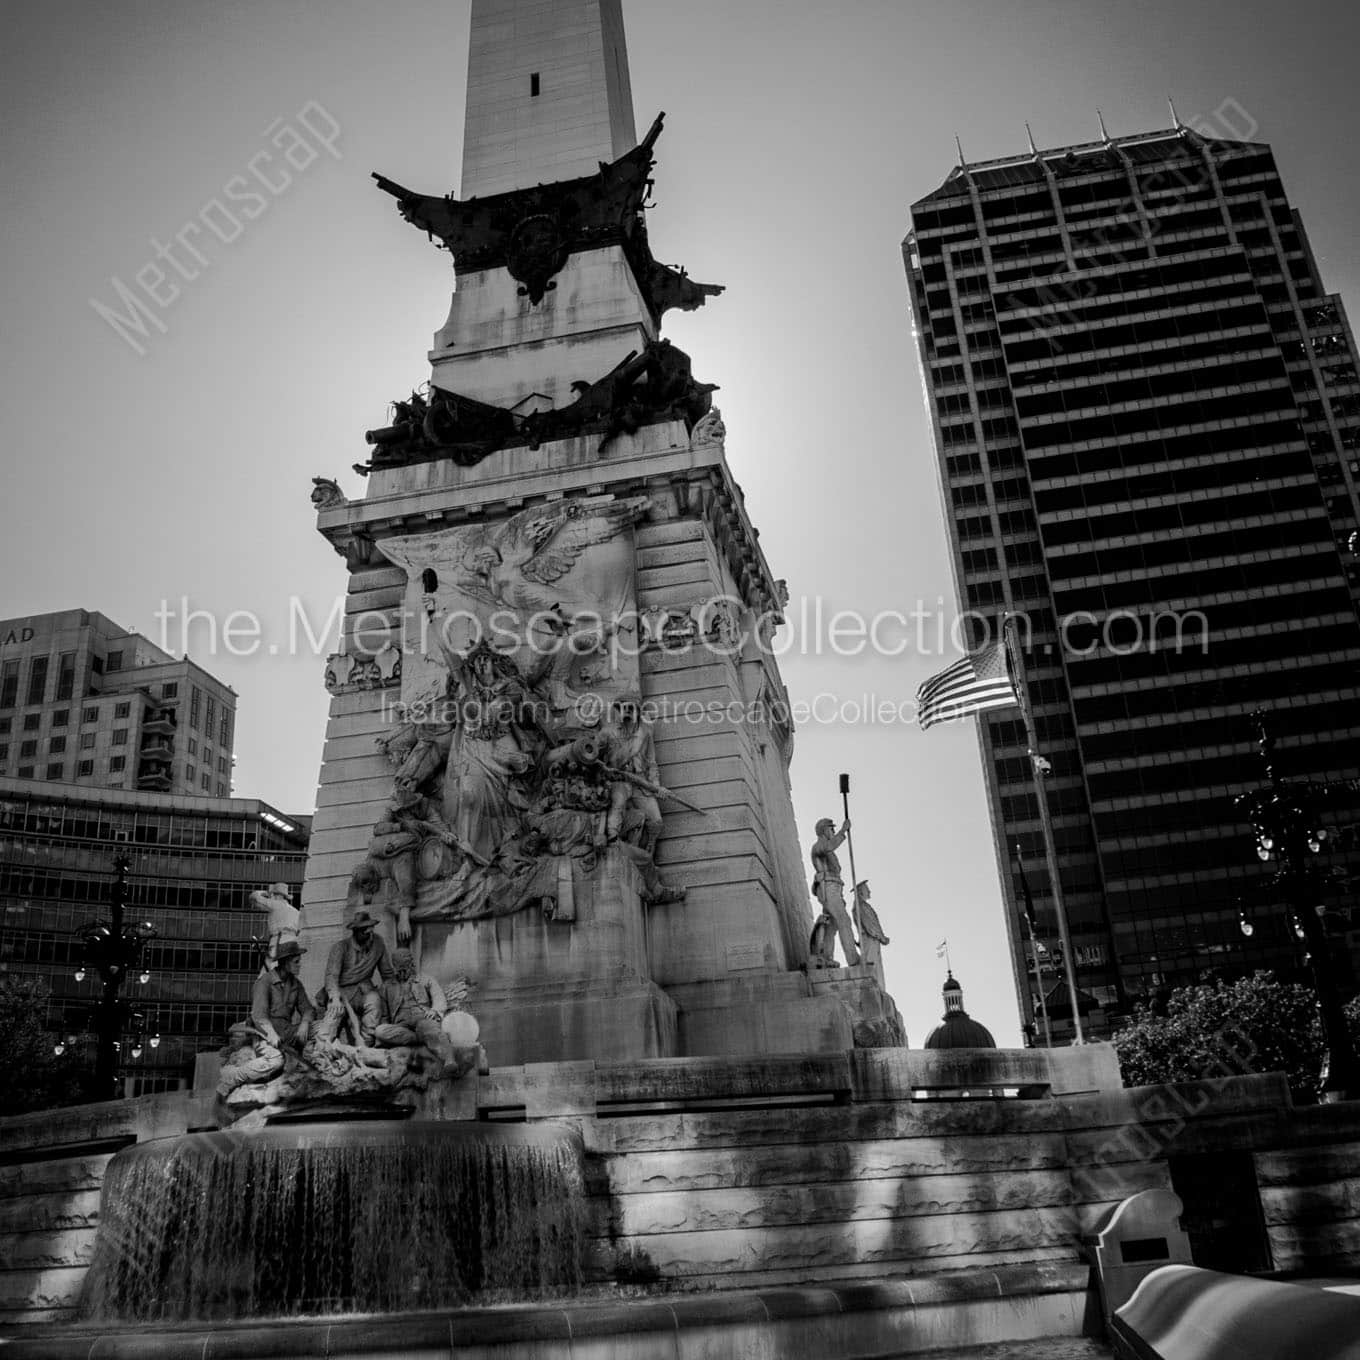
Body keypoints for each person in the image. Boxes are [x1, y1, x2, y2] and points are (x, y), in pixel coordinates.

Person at [374, 948, 452, 1066]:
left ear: (412, 964)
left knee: (429, 1027)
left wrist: (435, 1010)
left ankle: (449, 1061)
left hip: (422, 1018)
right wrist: (386, 1032)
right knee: (380, 1031)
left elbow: (438, 996)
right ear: (394, 966)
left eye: (406, 968)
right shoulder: (387, 986)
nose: (403, 973)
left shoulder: (425, 979)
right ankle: (420, 1038)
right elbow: (384, 1015)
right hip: (401, 1026)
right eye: (400, 969)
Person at [322, 910, 389, 1042]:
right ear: (356, 932)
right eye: (366, 933)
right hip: (342, 992)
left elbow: (387, 973)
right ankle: (322, 1049)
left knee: (374, 1001)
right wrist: (334, 997)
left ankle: (366, 1046)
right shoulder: (340, 947)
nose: (370, 937)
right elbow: (331, 976)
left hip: (365, 991)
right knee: (333, 1014)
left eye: (371, 932)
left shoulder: (378, 943)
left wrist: (392, 990)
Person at [249, 939, 316, 1052]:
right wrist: (271, 1034)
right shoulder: (265, 982)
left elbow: (308, 1009)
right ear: (285, 962)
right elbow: (259, 1016)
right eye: (296, 962)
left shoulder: (296, 984)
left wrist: (305, 1023)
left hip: (287, 1031)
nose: (300, 965)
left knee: (321, 1028)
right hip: (265, 1034)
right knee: (276, 1061)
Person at [810, 817, 860, 966]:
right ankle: (853, 959)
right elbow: (829, 846)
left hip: (835, 888)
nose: (833, 831)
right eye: (831, 829)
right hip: (828, 887)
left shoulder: (828, 850)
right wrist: (843, 831)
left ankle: (825, 958)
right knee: (844, 920)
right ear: (824, 830)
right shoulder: (818, 846)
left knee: (831, 925)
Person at [854, 880, 889, 968]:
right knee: (872, 966)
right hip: (870, 939)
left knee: (875, 967)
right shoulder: (860, 906)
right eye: (867, 890)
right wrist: (881, 937)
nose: (869, 892)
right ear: (861, 892)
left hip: (872, 939)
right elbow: (869, 925)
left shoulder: (863, 905)